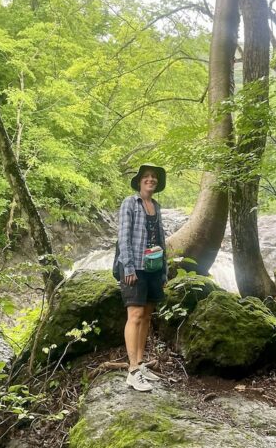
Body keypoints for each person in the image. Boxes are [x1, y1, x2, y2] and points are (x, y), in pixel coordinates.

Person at [117, 164, 168, 391]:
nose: (150, 180)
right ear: (139, 182)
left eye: (154, 177)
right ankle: (132, 371)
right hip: (134, 267)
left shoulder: (156, 206)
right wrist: (127, 267)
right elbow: (123, 236)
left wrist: (164, 270)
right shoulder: (130, 203)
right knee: (135, 315)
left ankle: (140, 363)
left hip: (153, 268)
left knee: (147, 316)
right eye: (146, 177)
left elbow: (162, 241)